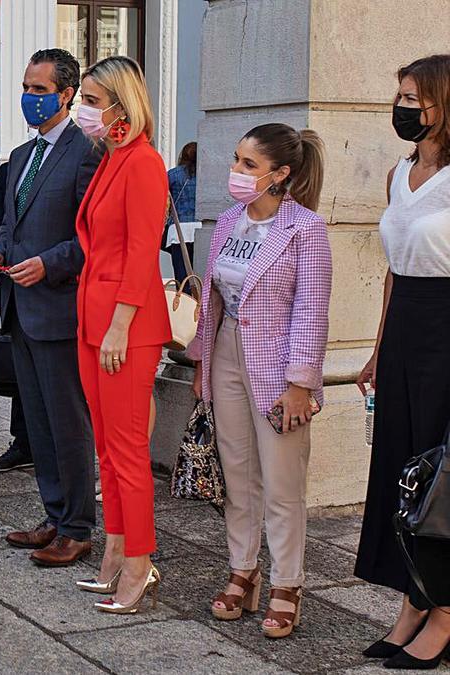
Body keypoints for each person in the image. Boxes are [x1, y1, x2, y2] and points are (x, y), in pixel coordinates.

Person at [186, 124, 330, 639]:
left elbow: (311, 313)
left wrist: (300, 383)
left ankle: (287, 584)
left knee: (282, 481)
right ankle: (243, 571)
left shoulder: (305, 229)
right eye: (237, 160)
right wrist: (202, 362)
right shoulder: (227, 222)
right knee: (237, 473)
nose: (238, 172)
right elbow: (214, 300)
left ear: (280, 174)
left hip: (278, 368)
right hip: (226, 355)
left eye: (250, 165)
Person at [0, 48, 101, 567]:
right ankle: (54, 516)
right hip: (19, 306)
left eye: (39, 89)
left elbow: (91, 235)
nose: (29, 97)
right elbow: (11, 223)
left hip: (59, 307)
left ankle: (78, 527)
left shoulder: (87, 152)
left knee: (67, 422)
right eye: (26, 88)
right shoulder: (23, 158)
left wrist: (49, 265)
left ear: (66, 94)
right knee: (39, 422)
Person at [355, 53, 450, 669]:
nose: (404, 108)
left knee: (446, 475)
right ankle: (414, 599)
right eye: (401, 96)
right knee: (402, 466)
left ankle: (445, 613)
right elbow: (393, 271)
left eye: (415, 97)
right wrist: (377, 345)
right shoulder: (400, 172)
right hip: (406, 329)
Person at [71, 55, 170, 614]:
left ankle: (139, 564)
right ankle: (115, 551)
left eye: (90, 100)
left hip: (124, 327)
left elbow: (140, 253)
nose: (82, 110)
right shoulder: (112, 158)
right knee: (107, 448)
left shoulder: (144, 163)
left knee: (128, 451)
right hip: (96, 320)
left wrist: (119, 326)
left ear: (119, 105)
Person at [0, 159, 34, 475]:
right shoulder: (16, 163)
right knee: (21, 371)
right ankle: (24, 443)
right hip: (15, 285)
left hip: (60, 288)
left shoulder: (82, 156)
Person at [164, 141, 197, 285]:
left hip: (178, 230)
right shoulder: (206, 175)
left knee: (181, 274)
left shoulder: (173, 174)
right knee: (199, 273)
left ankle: (184, 303)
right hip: (200, 227)